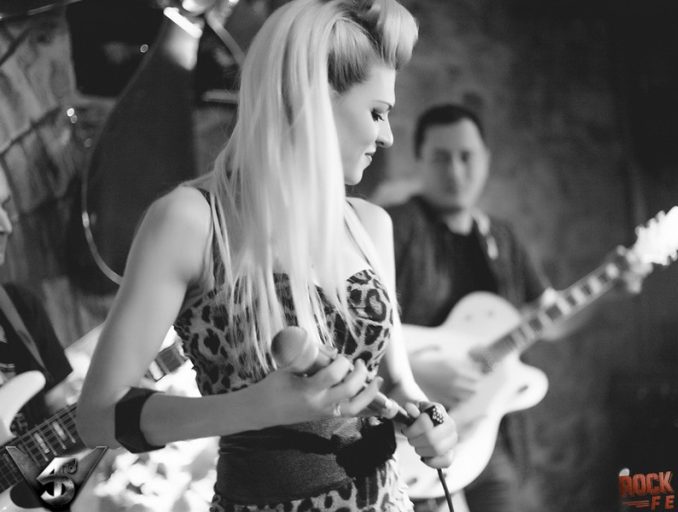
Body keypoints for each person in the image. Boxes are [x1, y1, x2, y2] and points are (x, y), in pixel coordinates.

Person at [76, 1, 457, 511]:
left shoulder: (370, 225)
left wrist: (429, 420)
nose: (386, 136)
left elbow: (393, 382)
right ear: (313, 99)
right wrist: (252, 408)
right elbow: (98, 415)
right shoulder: (191, 221)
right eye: (377, 112)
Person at [385, 103, 648, 512]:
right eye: (440, 158)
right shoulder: (395, 227)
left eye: (466, 156)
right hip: (412, 435)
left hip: (493, 435)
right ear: (419, 159)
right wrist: (418, 371)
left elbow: (549, 319)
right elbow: (360, 325)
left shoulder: (502, 238)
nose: (455, 171)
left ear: (486, 159)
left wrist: (608, 288)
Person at [0, 172, 72, 442]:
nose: (6, 226)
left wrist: (114, 414)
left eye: (4, 206)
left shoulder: (20, 306)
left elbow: (60, 431)